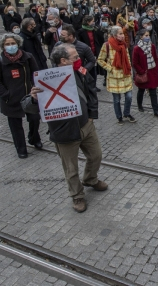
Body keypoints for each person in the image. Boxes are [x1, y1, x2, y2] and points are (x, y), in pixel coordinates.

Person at [22, 43, 108, 213]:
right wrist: (33, 99)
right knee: (71, 168)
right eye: (75, 57)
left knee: (96, 155)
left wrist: (91, 115)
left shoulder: (80, 72)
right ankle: (77, 196)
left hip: (85, 125)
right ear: (63, 60)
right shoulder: (45, 78)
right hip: (64, 132)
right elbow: (27, 106)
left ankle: (90, 179)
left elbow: (91, 92)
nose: (79, 59)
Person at [0, 33, 42, 159]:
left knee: (35, 119)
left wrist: (35, 90)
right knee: (16, 126)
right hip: (11, 100)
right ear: (3, 46)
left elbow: (36, 74)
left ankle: (34, 138)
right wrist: (6, 95)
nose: (11, 46)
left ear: (18, 43)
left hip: (30, 96)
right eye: (7, 44)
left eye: (13, 43)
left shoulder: (28, 57)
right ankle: (21, 148)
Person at [97, 26, 135, 124]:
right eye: (120, 34)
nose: (122, 35)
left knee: (129, 97)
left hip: (125, 75)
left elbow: (128, 58)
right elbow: (100, 60)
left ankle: (126, 113)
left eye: (122, 33)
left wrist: (129, 67)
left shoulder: (124, 44)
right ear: (114, 35)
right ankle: (119, 117)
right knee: (117, 100)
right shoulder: (107, 45)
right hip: (114, 77)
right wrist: (110, 69)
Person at [132, 28, 158, 119]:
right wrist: (141, 71)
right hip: (144, 73)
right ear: (141, 37)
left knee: (153, 92)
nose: (148, 37)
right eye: (146, 35)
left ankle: (156, 111)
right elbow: (135, 63)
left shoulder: (152, 46)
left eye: (148, 35)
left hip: (152, 72)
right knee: (141, 90)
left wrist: (156, 69)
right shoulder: (137, 48)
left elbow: (155, 59)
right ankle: (139, 105)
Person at [77, 15, 105, 90]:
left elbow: (100, 40)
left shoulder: (94, 30)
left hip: (94, 53)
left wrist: (99, 31)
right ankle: (86, 85)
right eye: (92, 21)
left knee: (94, 70)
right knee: (86, 70)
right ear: (88, 22)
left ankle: (93, 85)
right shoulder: (81, 31)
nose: (93, 22)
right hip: (85, 54)